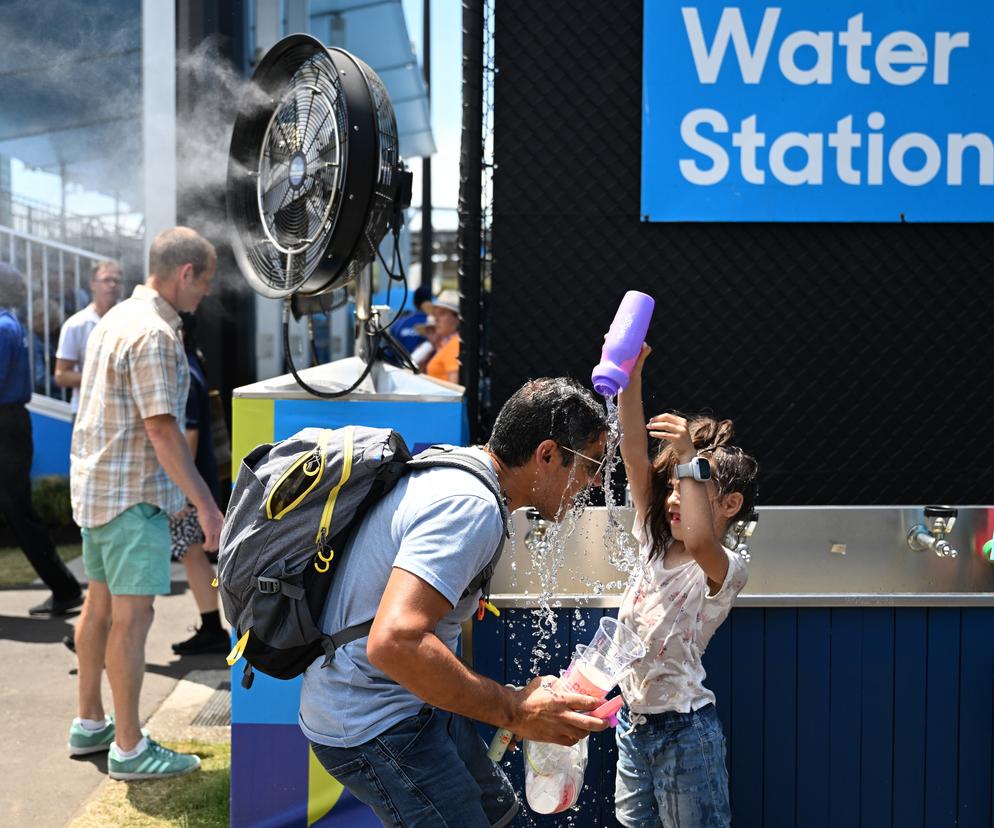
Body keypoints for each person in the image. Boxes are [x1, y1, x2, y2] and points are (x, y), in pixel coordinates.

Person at [301, 377, 612, 826]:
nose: (596, 480)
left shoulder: (466, 470)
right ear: (546, 455)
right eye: (590, 464)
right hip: (376, 722)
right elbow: (395, 642)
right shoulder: (470, 506)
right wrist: (516, 710)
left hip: (412, 704)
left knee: (503, 817)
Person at [67, 227, 224, 781]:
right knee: (132, 621)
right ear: (185, 274)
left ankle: (90, 722)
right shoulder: (156, 333)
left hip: (98, 491)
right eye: (203, 284)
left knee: (99, 608)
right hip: (132, 498)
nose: (203, 295)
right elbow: (162, 430)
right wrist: (205, 505)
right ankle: (130, 748)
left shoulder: (112, 319)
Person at [613, 344, 759, 828]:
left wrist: (689, 456)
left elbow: (698, 537)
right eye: (672, 483)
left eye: (691, 484)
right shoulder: (653, 542)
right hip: (631, 730)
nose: (675, 495)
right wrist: (630, 375)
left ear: (731, 504)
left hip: (684, 731)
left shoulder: (722, 567)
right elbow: (634, 452)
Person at [0, 262, 84, 616]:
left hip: (5, 426)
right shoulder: (9, 323)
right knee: (19, 511)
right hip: (11, 425)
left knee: (19, 512)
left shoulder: (3, 327)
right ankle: (64, 588)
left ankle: (65, 589)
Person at [169, 311, 229, 655]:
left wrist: (181, 487)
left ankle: (211, 628)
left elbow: (188, 435)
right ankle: (211, 627)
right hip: (197, 481)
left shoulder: (186, 373)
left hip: (189, 484)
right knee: (193, 555)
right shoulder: (193, 365)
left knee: (192, 555)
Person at [54, 260, 123, 414]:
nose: (112, 285)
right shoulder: (76, 325)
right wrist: (102, 377)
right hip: (86, 411)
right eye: (106, 280)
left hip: (122, 412)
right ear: (93, 284)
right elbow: (61, 376)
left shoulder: (130, 321)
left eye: (116, 281)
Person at [425, 288, 460, 383]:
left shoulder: (455, 344)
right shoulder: (449, 344)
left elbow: (454, 388)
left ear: (457, 318)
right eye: (435, 314)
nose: (436, 319)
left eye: (442, 313)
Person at [387, 283, 433, 356]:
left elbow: (390, 353)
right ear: (430, 301)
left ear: (414, 302)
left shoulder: (399, 324)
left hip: (399, 366)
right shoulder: (435, 325)